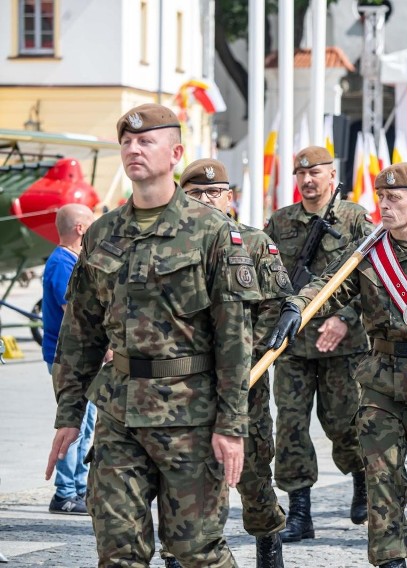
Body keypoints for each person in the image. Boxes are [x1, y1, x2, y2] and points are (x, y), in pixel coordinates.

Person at [45, 103, 260, 566]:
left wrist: (231, 425)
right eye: (126, 141)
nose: (133, 149)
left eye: (145, 141)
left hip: (191, 417)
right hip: (119, 414)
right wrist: (68, 412)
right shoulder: (102, 233)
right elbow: (79, 330)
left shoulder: (213, 233)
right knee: (118, 551)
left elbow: (234, 338)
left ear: (175, 152)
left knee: (195, 550)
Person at [269, 162, 407, 568]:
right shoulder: (370, 253)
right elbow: (330, 285)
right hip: (381, 381)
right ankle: (391, 560)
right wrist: (296, 307)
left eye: (394, 198)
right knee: (382, 476)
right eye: (381, 198)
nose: (385, 206)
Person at [159, 159, 292, 568]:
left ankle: (268, 542)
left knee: (251, 472)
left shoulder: (253, 243)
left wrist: (243, 354)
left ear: (229, 196)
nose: (205, 200)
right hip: (184, 384)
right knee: (180, 475)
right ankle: (176, 553)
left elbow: (276, 305)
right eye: (195, 194)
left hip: (243, 381)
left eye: (213, 192)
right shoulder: (167, 243)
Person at [263, 146, 372, 541]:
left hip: (343, 345)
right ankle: (299, 512)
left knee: (343, 423)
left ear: (332, 175)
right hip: (293, 344)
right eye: (301, 174)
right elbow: (268, 279)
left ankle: (361, 478)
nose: (308, 181)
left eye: (316, 173)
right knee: (290, 425)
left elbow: (375, 277)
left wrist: (345, 319)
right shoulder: (281, 221)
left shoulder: (355, 218)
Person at [42, 203, 97, 516]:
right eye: (91, 222)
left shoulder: (70, 259)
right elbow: (73, 314)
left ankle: (78, 487)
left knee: (86, 425)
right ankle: (64, 493)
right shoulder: (63, 263)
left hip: (79, 358)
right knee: (73, 424)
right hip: (69, 358)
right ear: (79, 229)